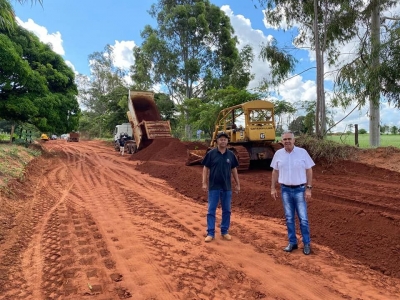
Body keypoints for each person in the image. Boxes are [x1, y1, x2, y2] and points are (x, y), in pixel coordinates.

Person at [270, 131, 315, 255]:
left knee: (303, 218)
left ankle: (306, 243)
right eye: (285, 139)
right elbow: (275, 172)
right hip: (285, 190)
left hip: (300, 189)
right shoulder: (278, 154)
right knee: (289, 218)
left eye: (289, 139)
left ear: (294, 140)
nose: (287, 141)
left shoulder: (302, 152)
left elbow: (309, 170)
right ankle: (292, 242)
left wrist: (309, 188)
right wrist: (273, 188)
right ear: (281, 141)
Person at [202, 132, 240, 242]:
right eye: (221, 139)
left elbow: (234, 170)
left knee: (227, 210)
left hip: (227, 187)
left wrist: (238, 184)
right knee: (211, 210)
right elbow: (205, 168)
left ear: (227, 141)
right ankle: (210, 233)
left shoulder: (231, 155)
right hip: (214, 186)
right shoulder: (211, 153)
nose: (223, 141)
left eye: (225, 139)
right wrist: (204, 183)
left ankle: (224, 231)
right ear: (217, 141)